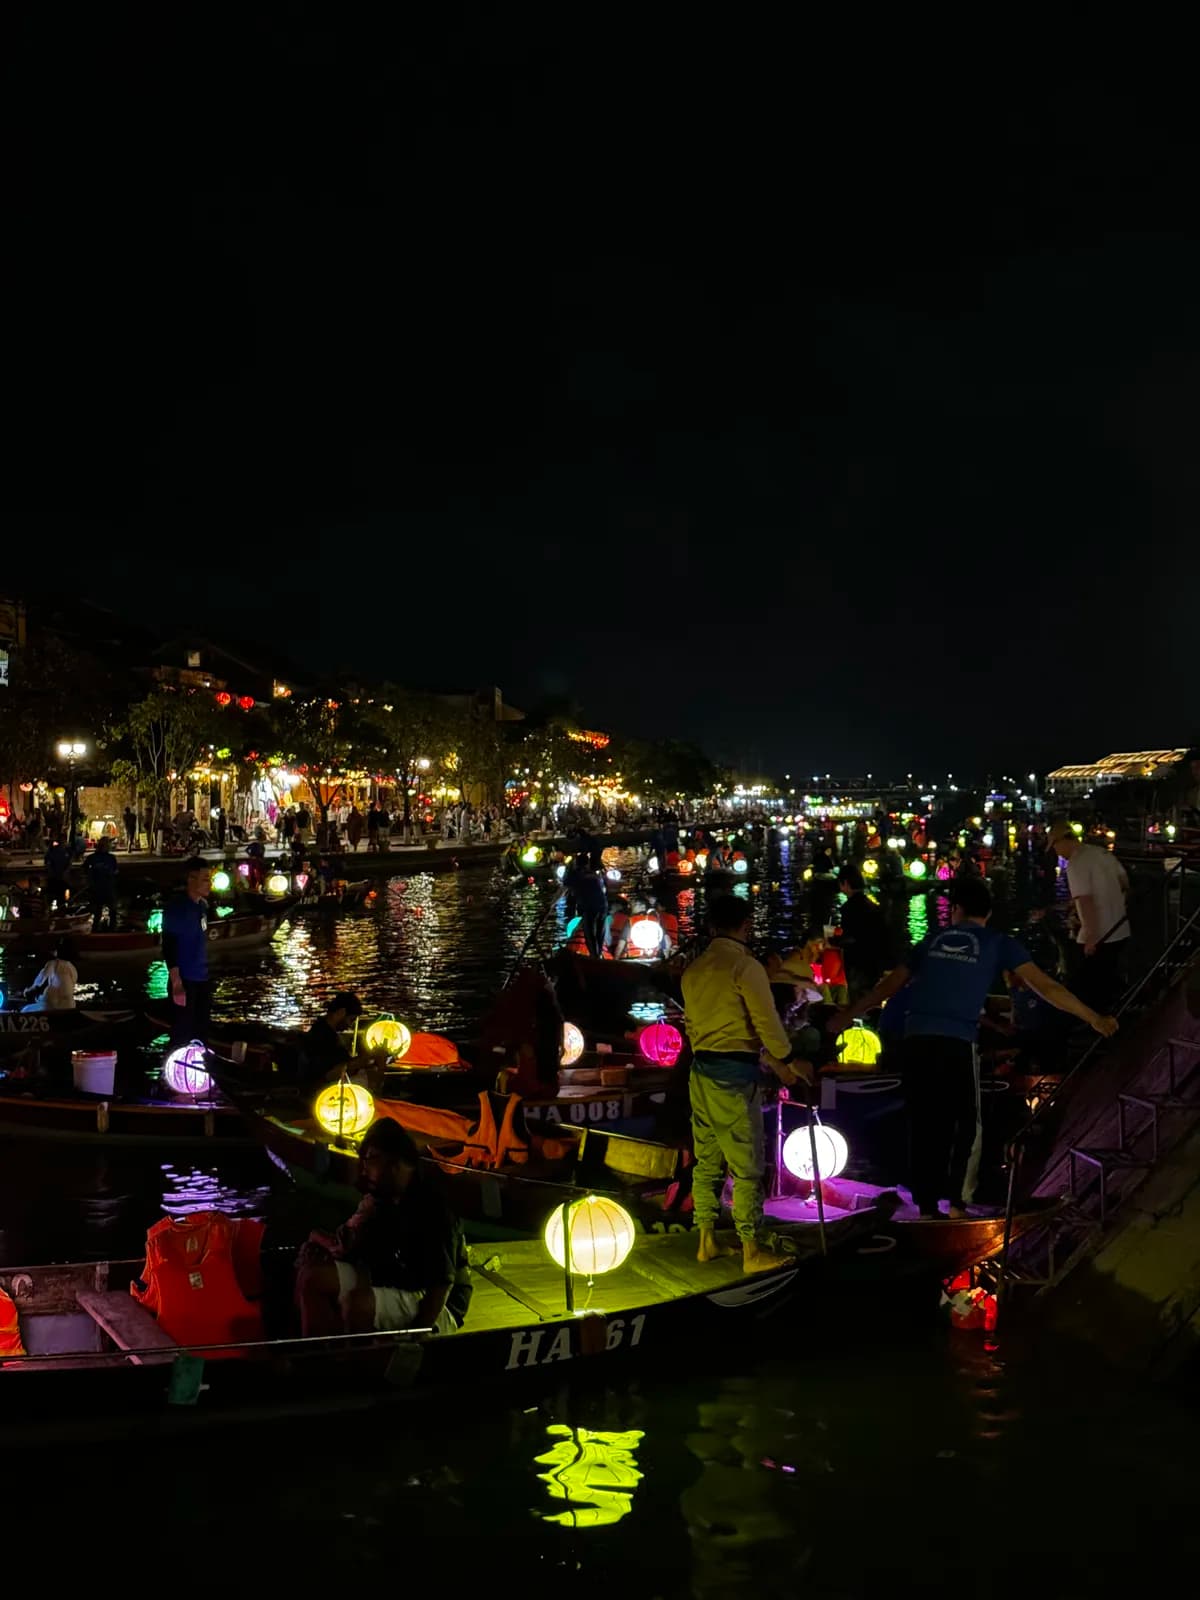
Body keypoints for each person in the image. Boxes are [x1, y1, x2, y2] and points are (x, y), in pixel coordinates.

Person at [829, 877, 1117, 1219]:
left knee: (924, 1123)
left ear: (955, 910)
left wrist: (847, 1014)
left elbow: (890, 984)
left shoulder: (931, 939)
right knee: (966, 1124)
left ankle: (925, 1206)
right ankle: (955, 1203)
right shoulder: (997, 942)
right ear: (989, 912)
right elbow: (1047, 987)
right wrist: (1094, 1018)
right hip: (957, 1041)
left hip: (916, 1039)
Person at [682, 895, 811, 1273]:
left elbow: (691, 1026)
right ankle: (751, 1249)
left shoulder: (694, 970)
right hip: (733, 1075)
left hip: (701, 1069)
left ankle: (706, 1239)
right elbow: (766, 1023)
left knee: (706, 1160)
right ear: (746, 924)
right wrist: (785, 1060)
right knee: (747, 1165)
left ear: (710, 927)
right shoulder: (745, 966)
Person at [296, 1118, 471, 1338]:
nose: (364, 1169)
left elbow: (442, 1284)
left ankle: (365, 1363)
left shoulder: (432, 1207)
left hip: (437, 1303)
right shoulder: (384, 1200)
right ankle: (318, 1353)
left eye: (370, 1159)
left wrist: (416, 1336)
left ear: (394, 1162)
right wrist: (324, 1253)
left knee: (358, 1304)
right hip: (399, 1281)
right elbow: (366, 1252)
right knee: (312, 1277)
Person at [1046, 821, 1130, 1013]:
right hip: (1120, 928)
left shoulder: (1076, 863)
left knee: (1086, 987)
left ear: (1062, 842)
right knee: (1109, 980)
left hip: (1098, 934)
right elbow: (1124, 883)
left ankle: (1093, 1026)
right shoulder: (1101, 853)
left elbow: (1085, 900)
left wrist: (1091, 937)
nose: (1057, 853)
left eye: (1055, 847)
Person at [162, 858, 212, 1047]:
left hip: (202, 977)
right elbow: (169, 944)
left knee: (201, 1032)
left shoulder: (202, 906)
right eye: (205, 879)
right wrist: (176, 982)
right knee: (182, 1034)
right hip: (185, 980)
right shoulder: (177, 908)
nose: (209, 883)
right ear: (191, 879)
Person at [836, 864, 890, 999]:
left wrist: (834, 941)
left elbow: (852, 937)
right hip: (875, 963)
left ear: (846, 883)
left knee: (857, 1000)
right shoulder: (872, 906)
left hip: (858, 963)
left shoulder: (850, 908)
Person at [297, 992, 364, 1085]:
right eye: (351, 1020)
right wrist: (361, 1061)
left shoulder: (325, 1032)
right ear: (341, 1013)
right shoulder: (322, 1037)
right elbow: (328, 1073)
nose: (350, 1025)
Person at [21, 939, 78, 1012]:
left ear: (58, 951)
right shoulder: (72, 968)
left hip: (53, 1005)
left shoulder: (53, 964)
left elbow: (39, 981)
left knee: (25, 1009)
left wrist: (27, 991)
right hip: (70, 1005)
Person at [86, 836, 119, 930]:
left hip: (107, 887)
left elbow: (115, 871)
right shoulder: (93, 858)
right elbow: (86, 870)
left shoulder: (111, 858)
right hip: (98, 888)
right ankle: (98, 928)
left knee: (112, 910)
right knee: (98, 911)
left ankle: (111, 928)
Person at [43, 838, 71, 912]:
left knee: (60, 897)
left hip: (60, 878)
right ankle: (51, 911)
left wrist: (65, 872)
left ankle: (60, 910)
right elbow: (48, 863)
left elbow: (68, 864)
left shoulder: (66, 852)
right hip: (54, 878)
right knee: (52, 896)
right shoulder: (53, 851)